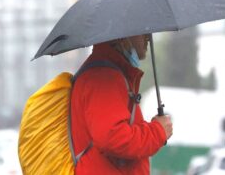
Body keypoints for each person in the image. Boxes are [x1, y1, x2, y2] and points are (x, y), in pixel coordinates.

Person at [70, 34, 173, 174]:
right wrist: (157, 131)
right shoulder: (104, 76)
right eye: (142, 32)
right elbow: (113, 138)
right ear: (122, 38)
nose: (148, 38)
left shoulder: (111, 72)